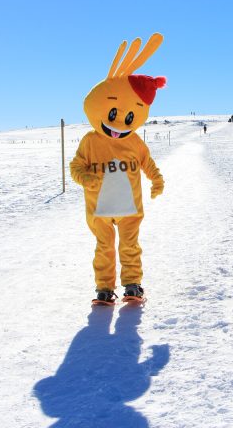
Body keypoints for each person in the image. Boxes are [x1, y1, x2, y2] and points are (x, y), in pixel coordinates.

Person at [70, 34, 167, 304]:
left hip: (129, 209)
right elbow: (76, 166)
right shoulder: (91, 141)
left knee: (129, 246)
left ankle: (133, 284)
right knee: (103, 247)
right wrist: (86, 177)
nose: (119, 124)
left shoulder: (134, 142)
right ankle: (103, 287)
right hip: (99, 209)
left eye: (127, 118)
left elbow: (148, 163)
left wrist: (156, 180)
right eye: (114, 115)